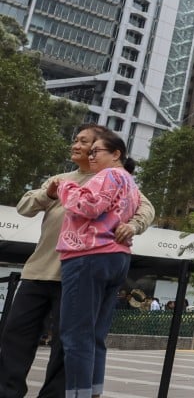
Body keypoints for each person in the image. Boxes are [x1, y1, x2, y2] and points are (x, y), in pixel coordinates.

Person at [0, 125, 153, 398]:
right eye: (77, 141)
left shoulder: (111, 178)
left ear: (107, 150)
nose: (78, 146)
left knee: (67, 343)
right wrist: (49, 193)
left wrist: (133, 225)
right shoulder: (61, 179)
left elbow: (145, 207)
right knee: (15, 335)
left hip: (77, 271)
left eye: (87, 143)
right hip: (39, 270)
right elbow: (24, 206)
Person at [56, 130, 141, 398]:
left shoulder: (108, 175)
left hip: (88, 254)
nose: (91, 156)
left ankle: (77, 393)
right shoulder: (131, 183)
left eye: (96, 152)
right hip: (116, 256)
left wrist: (63, 186)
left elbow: (89, 205)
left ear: (116, 154)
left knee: (75, 333)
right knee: (95, 334)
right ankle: (92, 391)